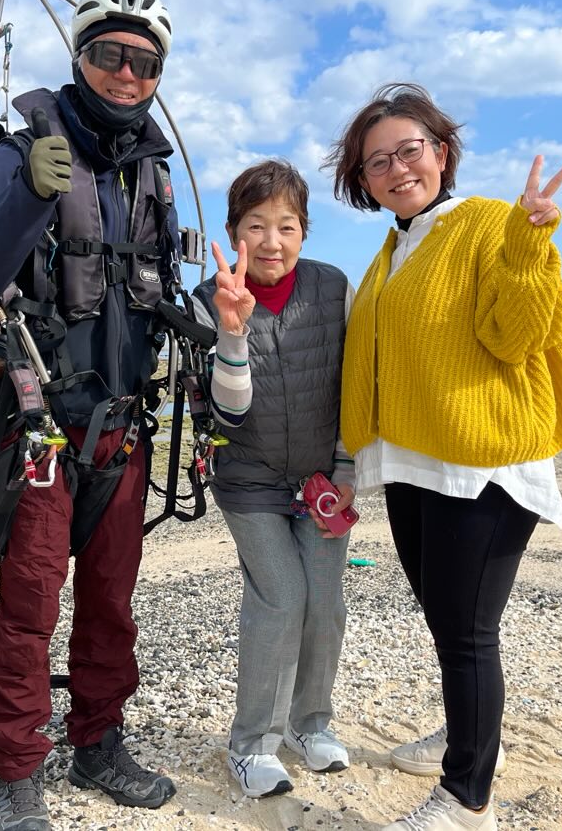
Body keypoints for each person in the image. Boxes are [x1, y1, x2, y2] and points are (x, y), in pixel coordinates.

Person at [0, 0, 181, 831]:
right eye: (109, 53)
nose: (125, 72)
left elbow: (158, 293)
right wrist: (31, 197)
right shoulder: (17, 154)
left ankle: (99, 742)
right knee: (31, 603)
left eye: (143, 61)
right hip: (40, 427)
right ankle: (16, 772)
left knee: (112, 601)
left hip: (121, 426)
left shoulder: (152, 178)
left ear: (158, 75)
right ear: (79, 57)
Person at [323, 83, 562, 831]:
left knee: (469, 633)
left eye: (410, 150)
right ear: (363, 183)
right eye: (377, 162)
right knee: (448, 622)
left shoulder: (489, 225)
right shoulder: (393, 247)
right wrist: (349, 460)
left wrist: (533, 238)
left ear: (442, 153)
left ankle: (468, 797)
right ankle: (478, 741)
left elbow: (519, 333)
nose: (397, 168)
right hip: (412, 463)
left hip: (484, 466)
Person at [190, 159, 356, 799]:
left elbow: (354, 386)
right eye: (255, 226)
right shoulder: (212, 298)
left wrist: (346, 467)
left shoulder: (333, 288)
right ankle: (250, 743)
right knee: (280, 598)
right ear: (234, 232)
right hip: (250, 478)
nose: (270, 242)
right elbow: (229, 408)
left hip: (323, 479)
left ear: (305, 231)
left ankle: (310, 724)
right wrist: (232, 333)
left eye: (286, 226)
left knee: (325, 603)